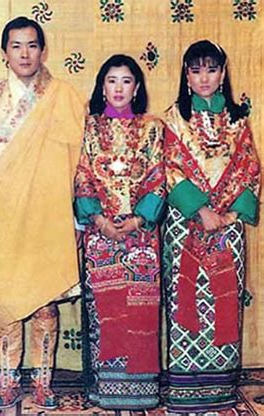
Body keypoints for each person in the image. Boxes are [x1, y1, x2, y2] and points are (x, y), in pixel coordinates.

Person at [0, 16, 85, 410]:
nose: (25, 53)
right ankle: (7, 381)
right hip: (2, 212)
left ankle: (42, 383)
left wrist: (73, 219)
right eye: (16, 46)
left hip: (48, 213)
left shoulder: (64, 96)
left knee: (44, 300)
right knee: (6, 295)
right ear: (3, 53)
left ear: (43, 50)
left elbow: (76, 163)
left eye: (32, 45)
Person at [163, 40, 261, 413]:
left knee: (223, 299)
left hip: (229, 228)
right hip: (186, 225)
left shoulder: (238, 119)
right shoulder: (174, 117)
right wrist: (201, 210)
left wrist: (230, 216)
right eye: (196, 69)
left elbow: (250, 169)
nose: (204, 78)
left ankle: (221, 386)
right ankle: (185, 385)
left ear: (223, 74)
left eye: (212, 69)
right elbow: (170, 167)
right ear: (186, 75)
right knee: (186, 299)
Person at [74, 54, 165, 409]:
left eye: (126, 81)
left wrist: (139, 220)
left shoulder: (152, 127)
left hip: (141, 236)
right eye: (111, 80)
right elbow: (82, 176)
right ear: (102, 86)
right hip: (101, 236)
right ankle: (104, 389)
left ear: (137, 87)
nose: (118, 88)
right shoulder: (89, 127)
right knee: (105, 311)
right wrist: (98, 221)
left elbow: (158, 178)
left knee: (141, 312)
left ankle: (142, 390)